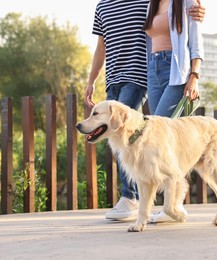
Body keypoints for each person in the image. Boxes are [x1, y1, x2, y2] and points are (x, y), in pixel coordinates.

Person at [84, 0, 205, 221]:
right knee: (155, 141)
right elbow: (103, 44)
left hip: (158, 72)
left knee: (149, 135)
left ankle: (152, 201)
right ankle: (168, 204)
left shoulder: (164, 2)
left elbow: (193, 32)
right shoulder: (144, 4)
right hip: (142, 71)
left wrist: (195, 75)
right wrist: (91, 80)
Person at [144, 0, 204, 223]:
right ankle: (172, 206)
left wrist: (194, 77)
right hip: (153, 68)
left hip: (176, 69)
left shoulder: (186, 1)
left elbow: (196, 42)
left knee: (157, 136)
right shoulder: (150, 3)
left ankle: (173, 205)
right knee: (165, 142)